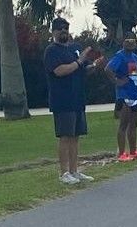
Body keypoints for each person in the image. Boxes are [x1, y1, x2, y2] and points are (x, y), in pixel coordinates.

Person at [45, 18, 105, 184]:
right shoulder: (52, 51)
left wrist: (93, 66)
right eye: (60, 29)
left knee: (76, 136)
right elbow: (60, 71)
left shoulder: (75, 49)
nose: (63, 31)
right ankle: (64, 173)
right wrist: (79, 61)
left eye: (66, 28)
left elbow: (82, 71)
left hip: (77, 98)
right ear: (54, 32)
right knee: (65, 136)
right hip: (62, 100)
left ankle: (74, 170)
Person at [105, 37, 137, 162]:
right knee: (123, 124)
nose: (130, 43)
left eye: (132, 41)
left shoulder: (135, 57)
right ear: (123, 43)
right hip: (124, 94)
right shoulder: (119, 56)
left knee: (134, 125)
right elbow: (108, 69)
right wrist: (117, 81)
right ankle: (121, 153)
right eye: (127, 41)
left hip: (135, 93)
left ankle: (133, 151)